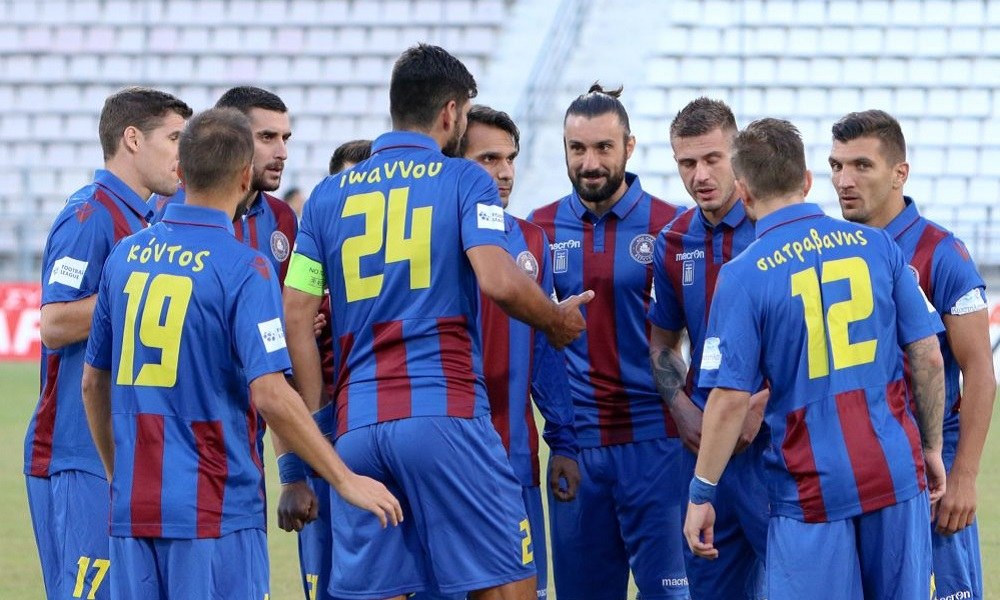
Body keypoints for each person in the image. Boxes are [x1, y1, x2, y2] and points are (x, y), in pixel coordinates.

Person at [281, 43, 592, 599]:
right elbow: (497, 279)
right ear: (451, 113)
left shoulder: (326, 197)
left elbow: (295, 313)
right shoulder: (463, 180)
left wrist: (323, 418)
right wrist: (553, 320)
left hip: (357, 429)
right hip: (444, 412)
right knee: (508, 582)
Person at [80, 107, 401, 599]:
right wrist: (343, 479)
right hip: (214, 506)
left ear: (180, 170)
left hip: (132, 508)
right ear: (245, 176)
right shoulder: (245, 267)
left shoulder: (124, 256)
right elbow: (271, 393)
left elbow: (92, 382)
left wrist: (116, 473)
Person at [685, 117, 947, 599]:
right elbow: (928, 355)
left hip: (810, 490)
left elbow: (729, 399)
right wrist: (931, 448)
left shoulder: (743, 275)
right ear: (806, 181)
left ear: (743, 192)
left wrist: (702, 492)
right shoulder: (878, 245)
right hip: (894, 472)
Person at [23, 86, 192, 600]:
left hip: (126, 450)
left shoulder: (149, 221)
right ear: (133, 139)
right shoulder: (90, 214)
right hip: (78, 453)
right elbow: (53, 323)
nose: (184, 154)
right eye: (175, 139)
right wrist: (139, 292)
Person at [412, 105, 580, 600]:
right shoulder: (424, 239)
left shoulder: (531, 241)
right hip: (441, 461)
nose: (504, 172)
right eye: (488, 159)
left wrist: (564, 440)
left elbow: (544, 353)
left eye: (510, 159)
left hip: (515, 458)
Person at [528, 84, 687, 599]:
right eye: (578, 149)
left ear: (629, 147)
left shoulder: (671, 226)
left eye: (603, 147)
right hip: (576, 448)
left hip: (657, 445)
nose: (590, 163)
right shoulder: (539, 229)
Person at [829, 109, 996, 600]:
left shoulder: (941, 252)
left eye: (861, 165)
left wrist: (964, 478)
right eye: (836, 166)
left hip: (931, 466)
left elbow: (980, 372)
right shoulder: (832, 251)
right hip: (856, 463)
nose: (844, 180)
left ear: (899, 173)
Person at [648, 98, 767, 600]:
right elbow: (662, 343)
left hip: (776, 447)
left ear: (737, 155)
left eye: (712, 159)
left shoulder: (772, 229)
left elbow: (810, 344)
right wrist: (681, 408)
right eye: (687, 162)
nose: (699, 175)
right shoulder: (673, 241)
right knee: (710, 588)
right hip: (704, 452)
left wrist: (761, 404)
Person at [282, 138, 373, 600]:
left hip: (375, 434)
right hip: (321, 441)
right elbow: (280, 375)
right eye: (344, 185)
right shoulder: (309, 266)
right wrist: (293, 470)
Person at [151, 86, 297, 284]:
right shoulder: (163, 208)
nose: (282, 153)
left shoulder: (284, 217)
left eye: (285, 139)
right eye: (267, 137)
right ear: (229, 137)